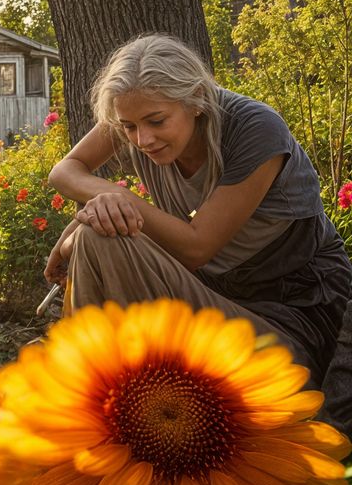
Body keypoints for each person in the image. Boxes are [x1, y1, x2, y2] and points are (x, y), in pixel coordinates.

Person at [47, 33, 352, 383]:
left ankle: (98, 388)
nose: (143, 139)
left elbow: (197, 247)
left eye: (157, 122)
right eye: (128, 127)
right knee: (96, 235)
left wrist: (117, 202)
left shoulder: (254, 129)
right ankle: (94, 391)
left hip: (291, 319)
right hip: (213, 299)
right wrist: (95, 213)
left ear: (196, 99)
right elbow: (64, 171)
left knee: (98, 232)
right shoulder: (137, 111)